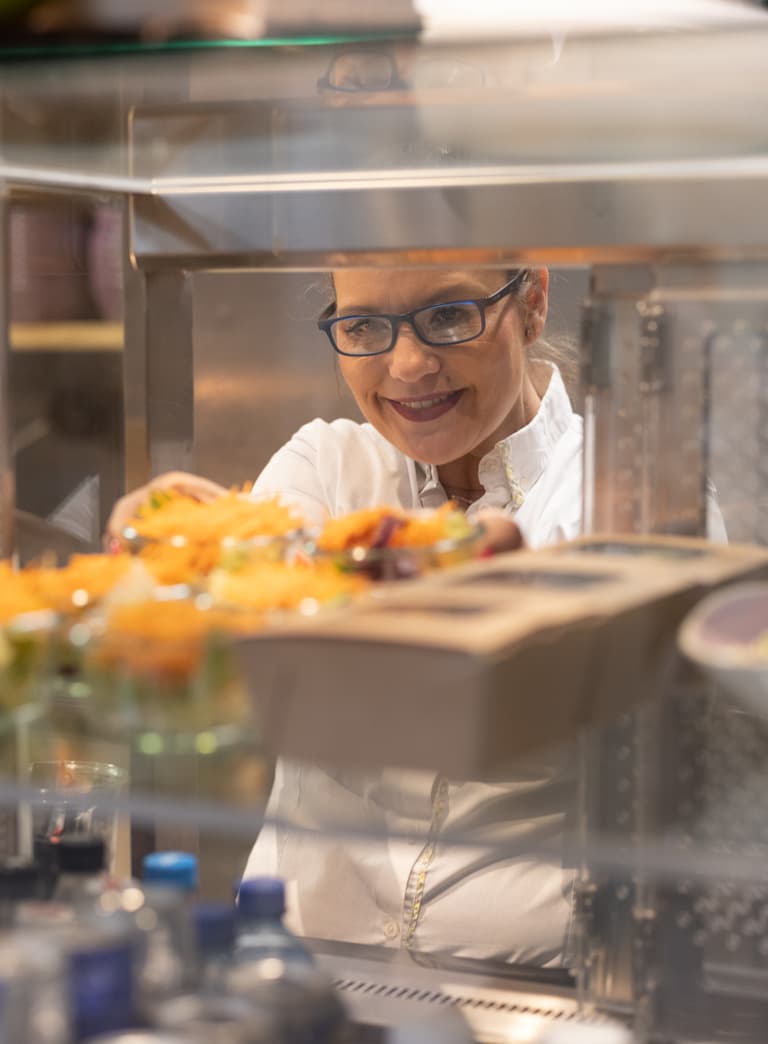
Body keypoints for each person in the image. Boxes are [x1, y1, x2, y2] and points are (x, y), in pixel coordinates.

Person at [107, 266, 725, 965]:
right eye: (365, 326)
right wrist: (166, 558)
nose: (407, 365)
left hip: (536, 988)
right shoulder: (324, 464)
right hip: (299, 961)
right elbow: (244, 613)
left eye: (450, 314)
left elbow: (684, 770)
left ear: (532, 303)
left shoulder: (630, 499)